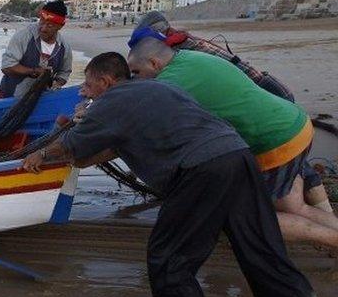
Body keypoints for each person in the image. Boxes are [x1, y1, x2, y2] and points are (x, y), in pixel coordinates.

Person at [22, 52, 338, 297]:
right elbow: (99, 152)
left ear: (106, 81)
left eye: (88, 85)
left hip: (201, 170)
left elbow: (71, 146)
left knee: (168, 255)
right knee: (266, 252)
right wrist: (84, 128)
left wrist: (41, 153)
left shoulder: (109, 102)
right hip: (237, 156)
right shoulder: (158, 88)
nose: (83, 91)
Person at [127, 35, 338, 251]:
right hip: (296, 123)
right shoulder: (193, 57)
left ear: (154, 63)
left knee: (250, 220)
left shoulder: (168, 82)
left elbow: (141, 122)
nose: (137, 79)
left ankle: (332, 241)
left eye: (136, 72)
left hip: (275, 142)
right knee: (295, 208)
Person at [135, 11, 332, 212]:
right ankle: (324, 214)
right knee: (297, 163)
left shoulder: (179, 54)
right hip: (271, 93)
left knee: (284, 165)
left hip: (265, 95)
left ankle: (310, 221)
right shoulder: (187, 46)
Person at [0, 0, 72, 99]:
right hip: (11, 96)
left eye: (49, 26)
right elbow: (7, 67)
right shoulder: (23, 36)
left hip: (42, 99)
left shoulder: (64, 47)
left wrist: (57, 83)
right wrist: (34, 71)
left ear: (60, 26)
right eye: (41, 22)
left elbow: (65, 72)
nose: (43, 28)